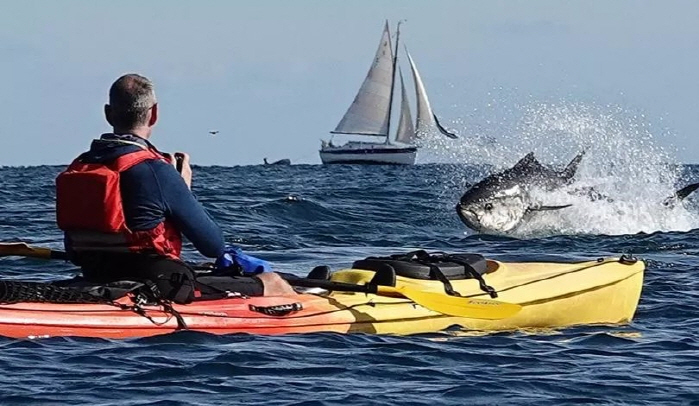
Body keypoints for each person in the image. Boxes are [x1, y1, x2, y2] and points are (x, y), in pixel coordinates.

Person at [55, 73, 296, 303]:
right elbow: (213, 246)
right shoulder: (156, 170)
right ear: (154, 114)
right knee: (273, 282)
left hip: (95, 275)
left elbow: (73, 249)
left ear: (108, 114)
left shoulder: (80, 166)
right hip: (158, 284)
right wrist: (182, 189)